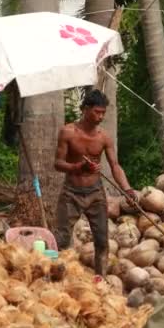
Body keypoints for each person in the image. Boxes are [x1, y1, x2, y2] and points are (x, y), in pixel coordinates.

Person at [54, 89, 138, 277]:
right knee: (62, 238)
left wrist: (128, 190)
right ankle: (61, 279)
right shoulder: (68, 132)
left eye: (103, 113)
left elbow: (115, 166)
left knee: (102, 241)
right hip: (71, 192)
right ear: (85, 109)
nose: (100, 117)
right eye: (96, 112)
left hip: (95, 193)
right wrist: (78, 167)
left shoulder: (103, 137)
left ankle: (102, 280)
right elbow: (57, 164)